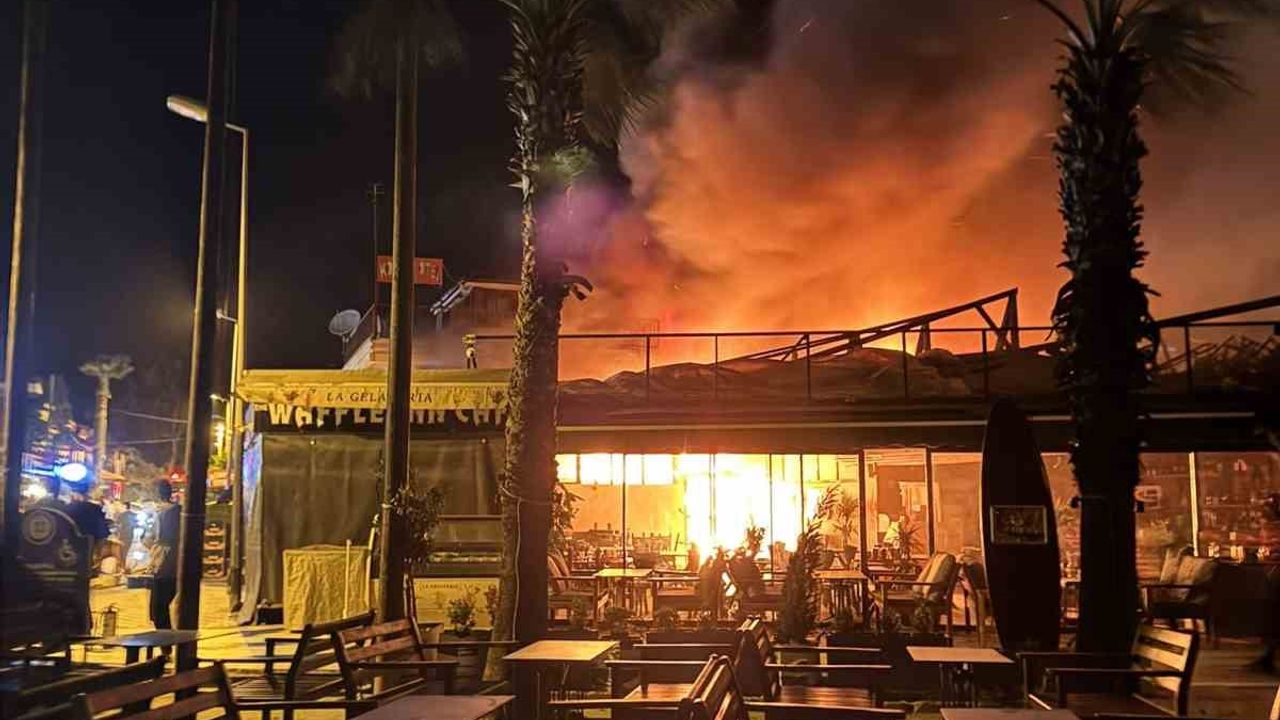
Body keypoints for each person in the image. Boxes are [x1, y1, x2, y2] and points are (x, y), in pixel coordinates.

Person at [148, 480, 181, 630]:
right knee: (163, 603)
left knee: (158, 606)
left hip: (164, 561)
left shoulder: (162, 513)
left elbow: (152, 537)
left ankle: (165, 637)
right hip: (175, 560)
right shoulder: (177, 510)